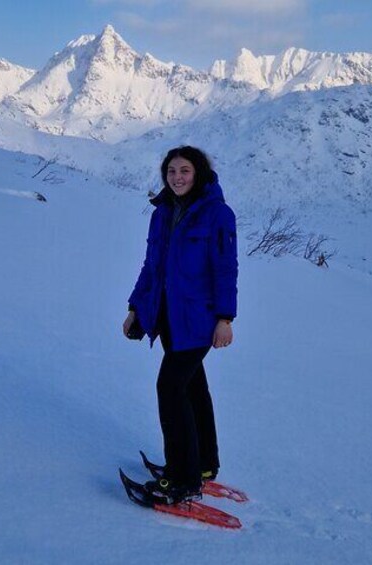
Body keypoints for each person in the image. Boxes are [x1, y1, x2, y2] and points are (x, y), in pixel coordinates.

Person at [123, 146, 238, 505]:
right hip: (169, 317)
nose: (177, 177)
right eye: (171, 171)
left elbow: (225, 269)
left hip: (199, 318)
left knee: (170, 389)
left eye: (185, 170)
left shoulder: (217, 214)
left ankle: (183, 478)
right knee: (192, 387)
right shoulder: (161, 213)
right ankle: (203, 463)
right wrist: (135, 308)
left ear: (199, 172)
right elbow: (151, 267)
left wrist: (225, 318)